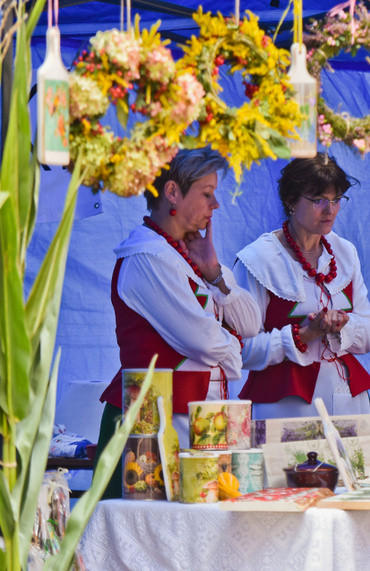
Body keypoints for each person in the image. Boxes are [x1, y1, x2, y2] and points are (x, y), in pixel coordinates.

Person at [97, 148, 261, 498]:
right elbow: (201, 339)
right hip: (149, 428)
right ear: (172, 192)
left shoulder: (189, 255)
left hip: (196, 422)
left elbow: (250, 322)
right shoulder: (146, 258)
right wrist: (232, 347)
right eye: (206, 193)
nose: (215, 205)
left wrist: (215, 274)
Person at [233, 153, 370, 419]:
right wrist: (302, 335)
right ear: (290, 201)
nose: (330, 210)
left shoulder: (345, 253)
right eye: (318, 200)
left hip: (347, 401)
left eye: (336, 200)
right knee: (291, 463)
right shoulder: (258, 260)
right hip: (284, 406)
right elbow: (239, 349)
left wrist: (343, 325)